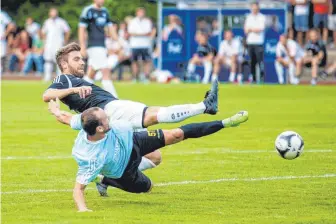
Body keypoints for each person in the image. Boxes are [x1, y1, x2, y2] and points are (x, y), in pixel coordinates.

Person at [42, 42, 219, 184]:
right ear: (64, 64)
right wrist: (72, 90)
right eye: (76, 59)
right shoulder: (63, 78)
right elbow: (47, 95)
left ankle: (107, 180)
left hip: (111, 121)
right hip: (109, 109)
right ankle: (204, 106)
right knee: (152, 114)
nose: (82, 62)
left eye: (81, 58)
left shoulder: (73, 81)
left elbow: (54, 98)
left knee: (154, 157)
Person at [47, 98, 249, 212]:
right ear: (99, 129)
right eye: (105, 118)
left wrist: (55, 110)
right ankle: (105, 180)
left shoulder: (84, 121)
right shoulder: (91, 157)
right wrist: (83, 210)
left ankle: (224, 123)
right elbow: (78, 189)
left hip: (133, 140)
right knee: (149, 188)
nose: (109, 116)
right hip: (124, 171)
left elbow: (65, 118)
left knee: (175, 135)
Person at [79, 0, 118, 97]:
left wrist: (118, 40)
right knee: (105, 72)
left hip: (102, 46)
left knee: (92, 72)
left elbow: (110, 29)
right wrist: (82, 46)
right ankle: (114, 98)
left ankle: (80, 94)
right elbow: (81, 29)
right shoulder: (88, 10)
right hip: (93, 45)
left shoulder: (105, 12)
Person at [42, 8, 70, 82]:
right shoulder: (47, 22)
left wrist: (65, 41)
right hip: (49, 45)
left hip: (58, 44)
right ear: (49, 13)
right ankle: (47, 77)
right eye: (52, 12)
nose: (53, 14)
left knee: (59, 61)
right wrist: (45, 41)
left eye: (55, 12)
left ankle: (59, 78)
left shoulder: (61, 21)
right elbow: (43, 32)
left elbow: (67, 31)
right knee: (48, 61)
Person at [128, 7, 154, 83]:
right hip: (135, 45)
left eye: (142, 12)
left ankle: (146, 78)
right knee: (134, 62)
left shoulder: (147, 21)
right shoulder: (132, 21)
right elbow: (131, 33)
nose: (141, 14)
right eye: (139, 12)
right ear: (137, 13)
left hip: (145, 45)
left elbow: (148, 32)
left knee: (147, 61)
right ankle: (134, 78)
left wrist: (137, 34)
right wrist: (142, 34)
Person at [244, 1, 266, 83]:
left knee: (260, 62)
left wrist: (251, 29)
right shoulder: (248, 17)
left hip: (259, 43)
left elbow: (261, 28)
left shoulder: (262, 17)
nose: (254, 9)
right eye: (253, 7)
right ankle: (253, 78)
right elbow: (246, 30)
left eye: (255, 7)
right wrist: (253, 29)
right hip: (250, 42)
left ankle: (261, 78)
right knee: (252, 62)